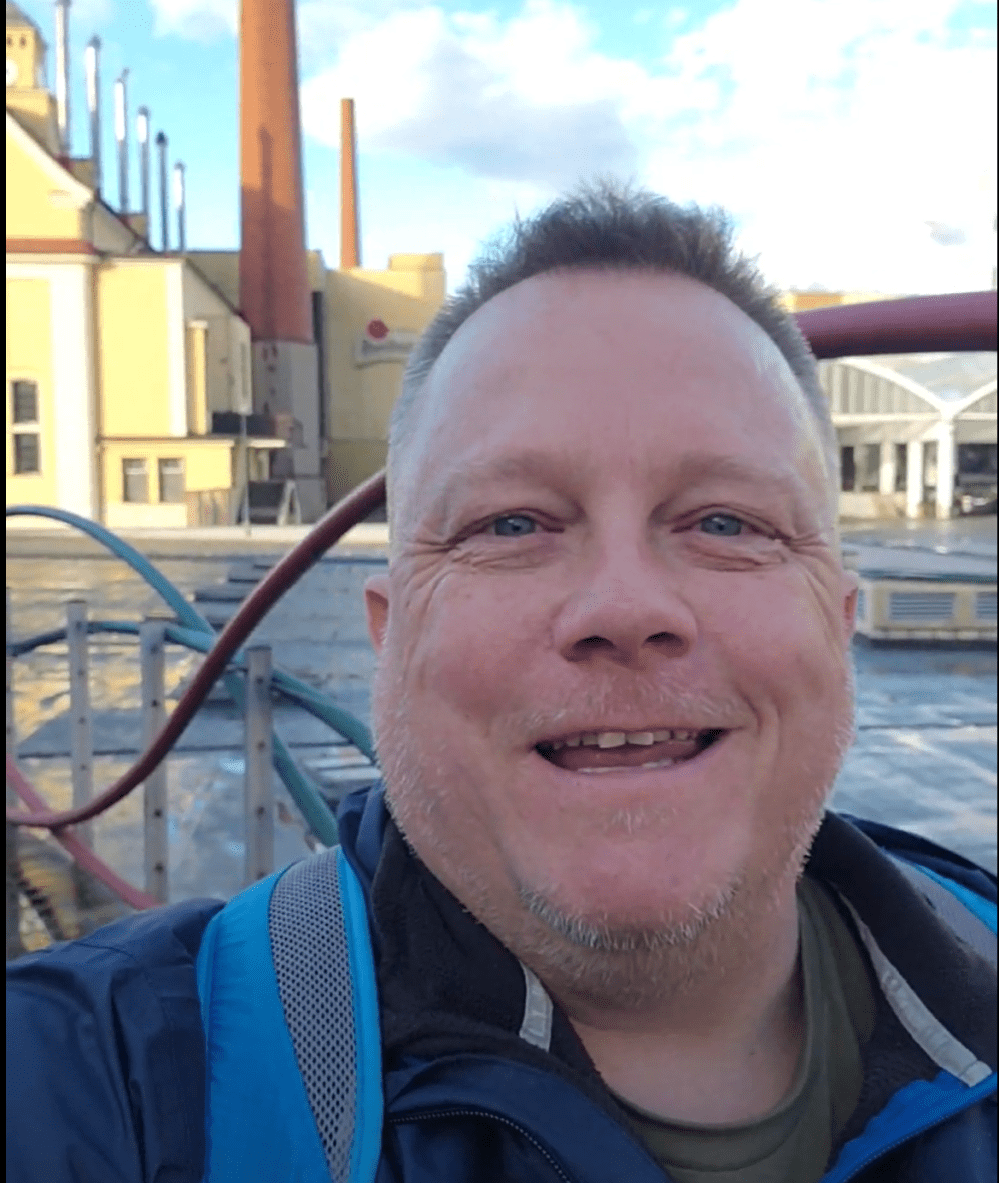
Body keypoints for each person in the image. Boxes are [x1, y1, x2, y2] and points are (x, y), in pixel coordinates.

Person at [7, 185, 996, 1183]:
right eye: (512, 524)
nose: (623, 604)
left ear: (838, 622)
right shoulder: (103, 1081)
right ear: (391, 639)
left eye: (727, 523)